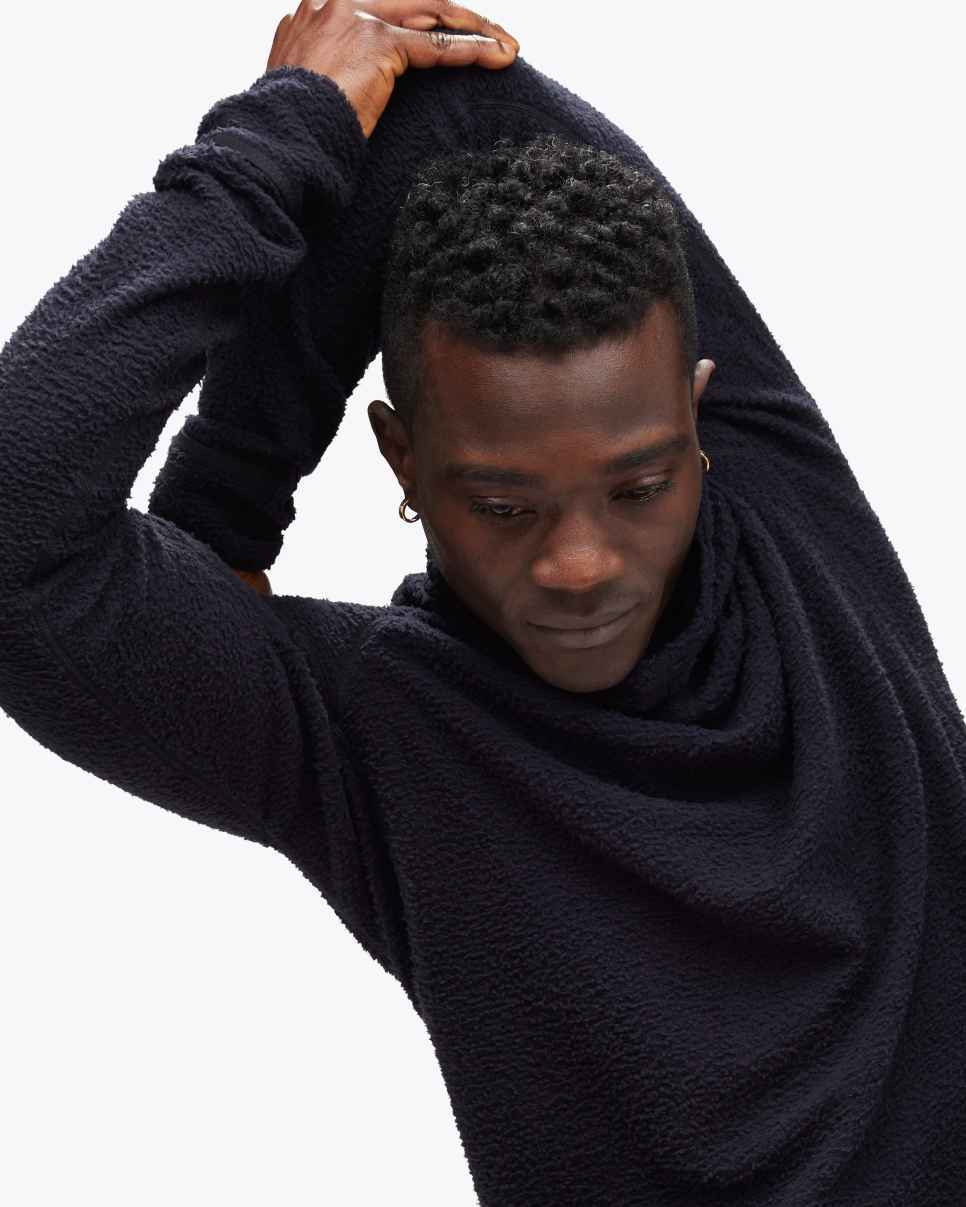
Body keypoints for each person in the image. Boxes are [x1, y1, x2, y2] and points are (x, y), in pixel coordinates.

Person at [2, 2, 964, 1204]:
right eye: (504, 505)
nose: (583, 563)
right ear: (402, 461)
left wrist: (218, 523)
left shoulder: (798, 535)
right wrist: (270, 147)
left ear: (697, 414)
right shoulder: (369, 732)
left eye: (639, 487)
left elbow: (447, 102)